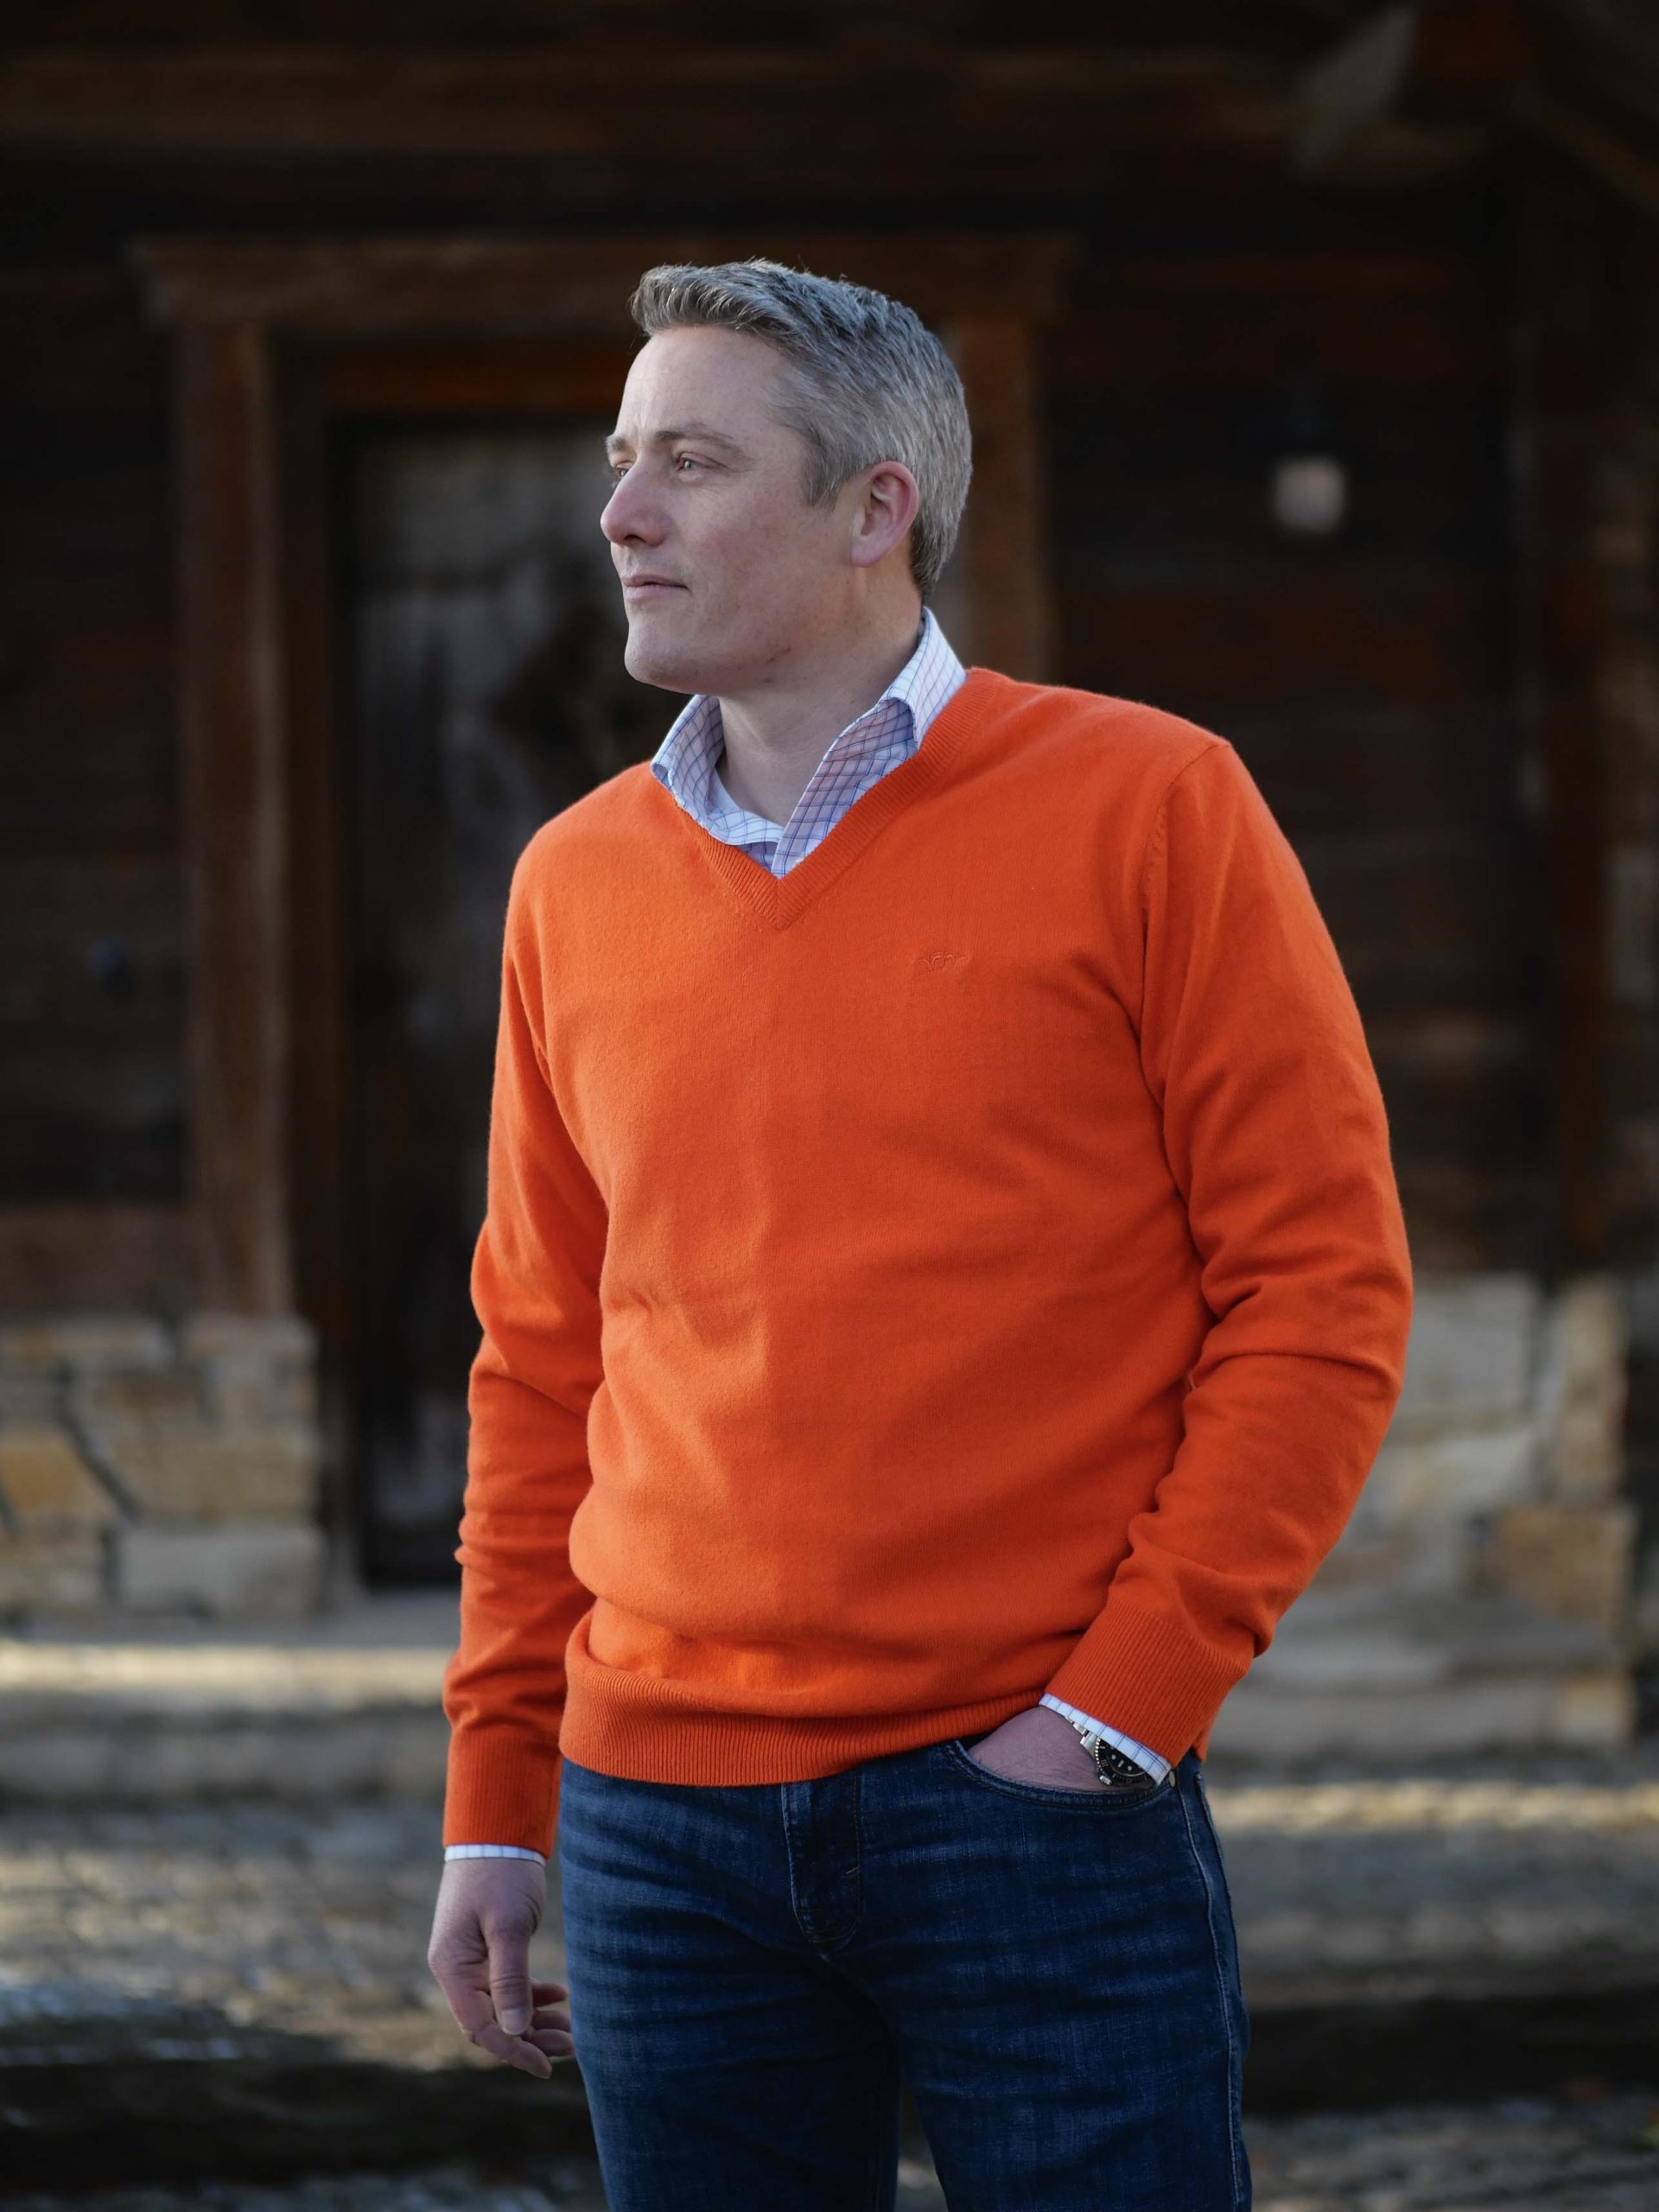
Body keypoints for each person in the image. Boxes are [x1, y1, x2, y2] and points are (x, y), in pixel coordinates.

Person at [426, 257, 1414, 2212]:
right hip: (657, 1831)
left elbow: (1321, 1292)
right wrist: (498, 1802)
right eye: (621, 458)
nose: (620, 513)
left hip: (1030, 1799)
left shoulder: (1154, 804)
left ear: (876, 506)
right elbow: (543, 1359)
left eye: (692, 462)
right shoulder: (573, 880)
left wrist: (1117, 1715)